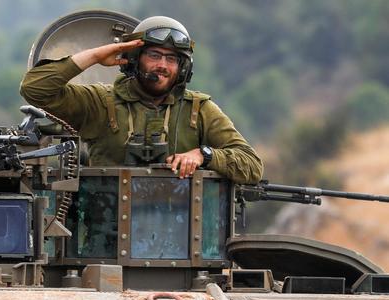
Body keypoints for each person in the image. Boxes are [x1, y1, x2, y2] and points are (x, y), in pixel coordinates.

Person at [20, 16, 263, 184]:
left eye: (172, 59)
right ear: (135, 58)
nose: (162, 66)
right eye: (154, 55)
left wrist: (204, 154)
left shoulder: (198, 110)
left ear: (183, 68)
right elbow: (35, 89)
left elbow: (251, 165)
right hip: (105, 238)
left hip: (180, 241)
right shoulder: (99, 102)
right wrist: (94, 55)